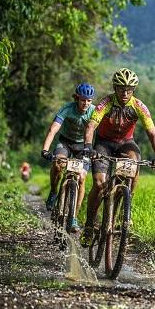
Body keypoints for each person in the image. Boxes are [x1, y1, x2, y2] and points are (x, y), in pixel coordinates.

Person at [80, 68, 155, 247]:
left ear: (134, 89)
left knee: (134, 165)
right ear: (115, 87)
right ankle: (89, 225)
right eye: (121, 88)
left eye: (129, 89)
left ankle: (125, 206)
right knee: (99, 183)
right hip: (103, 143)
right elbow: (91, 126)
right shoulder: (105, 103)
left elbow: (152, 133)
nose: (125, 93)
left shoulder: (139, 106)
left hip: (126, 143)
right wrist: (88, 146)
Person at [41, 83, 96, 232]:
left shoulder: (93, 112)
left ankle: (74, 217)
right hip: (65, 142)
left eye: (89, 100)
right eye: (83, 100)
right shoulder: (67, 109)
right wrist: (45, 149)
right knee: (58, 165)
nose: (86, 103)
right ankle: (53, 191)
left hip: (83, 147)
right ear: (77, 98)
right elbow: (53, 130)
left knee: (82, 178)